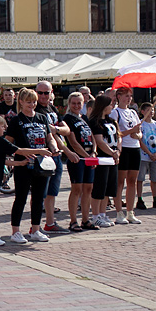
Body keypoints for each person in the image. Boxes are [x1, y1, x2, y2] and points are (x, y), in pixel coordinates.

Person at [0, 115, 50, 247]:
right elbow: (20, 150)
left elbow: (1, 160)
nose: (5, 128)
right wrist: (40, 150)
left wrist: (19, 163)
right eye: (2, 126)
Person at [5, 88, 59, 244]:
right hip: (24, 164)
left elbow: (50, 138)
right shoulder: (16, 120)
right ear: (21, 102)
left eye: (34, 101)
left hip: (42, 164)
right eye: (28, 101)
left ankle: (36, 228)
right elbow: (9, 141)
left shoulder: (42, 118)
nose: (32, 104)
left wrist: (53, 148)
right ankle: (15, 231)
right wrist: (17, 154)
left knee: (38, 197)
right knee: (21, 197)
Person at [35, 81, 70, 234]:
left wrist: (56, 129)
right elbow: (49, 134)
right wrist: (66, 150)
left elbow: (66, 129)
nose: (43, 96)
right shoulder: (35, 110)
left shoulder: (52, 108)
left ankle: (50, 222)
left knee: (52, 192)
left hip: (55, 155)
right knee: (39, 193)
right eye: (40, 92)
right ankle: (35, 226)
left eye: (46, 93)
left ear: (51, 93)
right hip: (42, 154)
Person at [59, 92, 98, 232]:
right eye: (73, 103)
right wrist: (87, 156)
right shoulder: (67, 119)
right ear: (69, 104)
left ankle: (86, 219)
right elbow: (73, 142)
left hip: (88, 156)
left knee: (88, 189)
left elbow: (92, 136)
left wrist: (93, 152)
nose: (76, 106)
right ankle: (73, 220)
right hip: (77, 158)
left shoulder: (85, 118)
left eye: (79, 103)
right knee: (77, 189)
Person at [109, 86, 143, 225]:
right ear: (119, 97)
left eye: (130, 96)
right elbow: (116, 133)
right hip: (124, 148)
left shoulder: (133, 113)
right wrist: (130, 132)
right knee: (120, 181)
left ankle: (130, 211)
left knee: (132, 181)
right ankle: (119, 212)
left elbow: (139, 132)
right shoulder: (115, 113)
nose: (128, 99)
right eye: (125, 96)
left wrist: (137, 135)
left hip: (135, 147)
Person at [88, 94, 121, 228]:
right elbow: (99, 141)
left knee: (108, 188)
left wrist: (118, 151)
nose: (112, 106)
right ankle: (95, 215)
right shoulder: (95, 122)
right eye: (110, 104)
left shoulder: (112, 121)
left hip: (113, 158)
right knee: (99, 188)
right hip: (102, 158)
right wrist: (111, 153)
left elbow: (119, 137)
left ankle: (102, 213)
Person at [136, 102, 156, 211]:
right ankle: (139, 198)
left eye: (152, 110)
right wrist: (148, 153)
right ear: (143, 111)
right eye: (148, 110)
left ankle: (155, 198)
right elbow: (140, 141)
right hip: (144, 155)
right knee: (140, 178)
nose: (151, 112)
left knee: (154, 178)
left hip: (155, 156)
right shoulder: (140, 124)